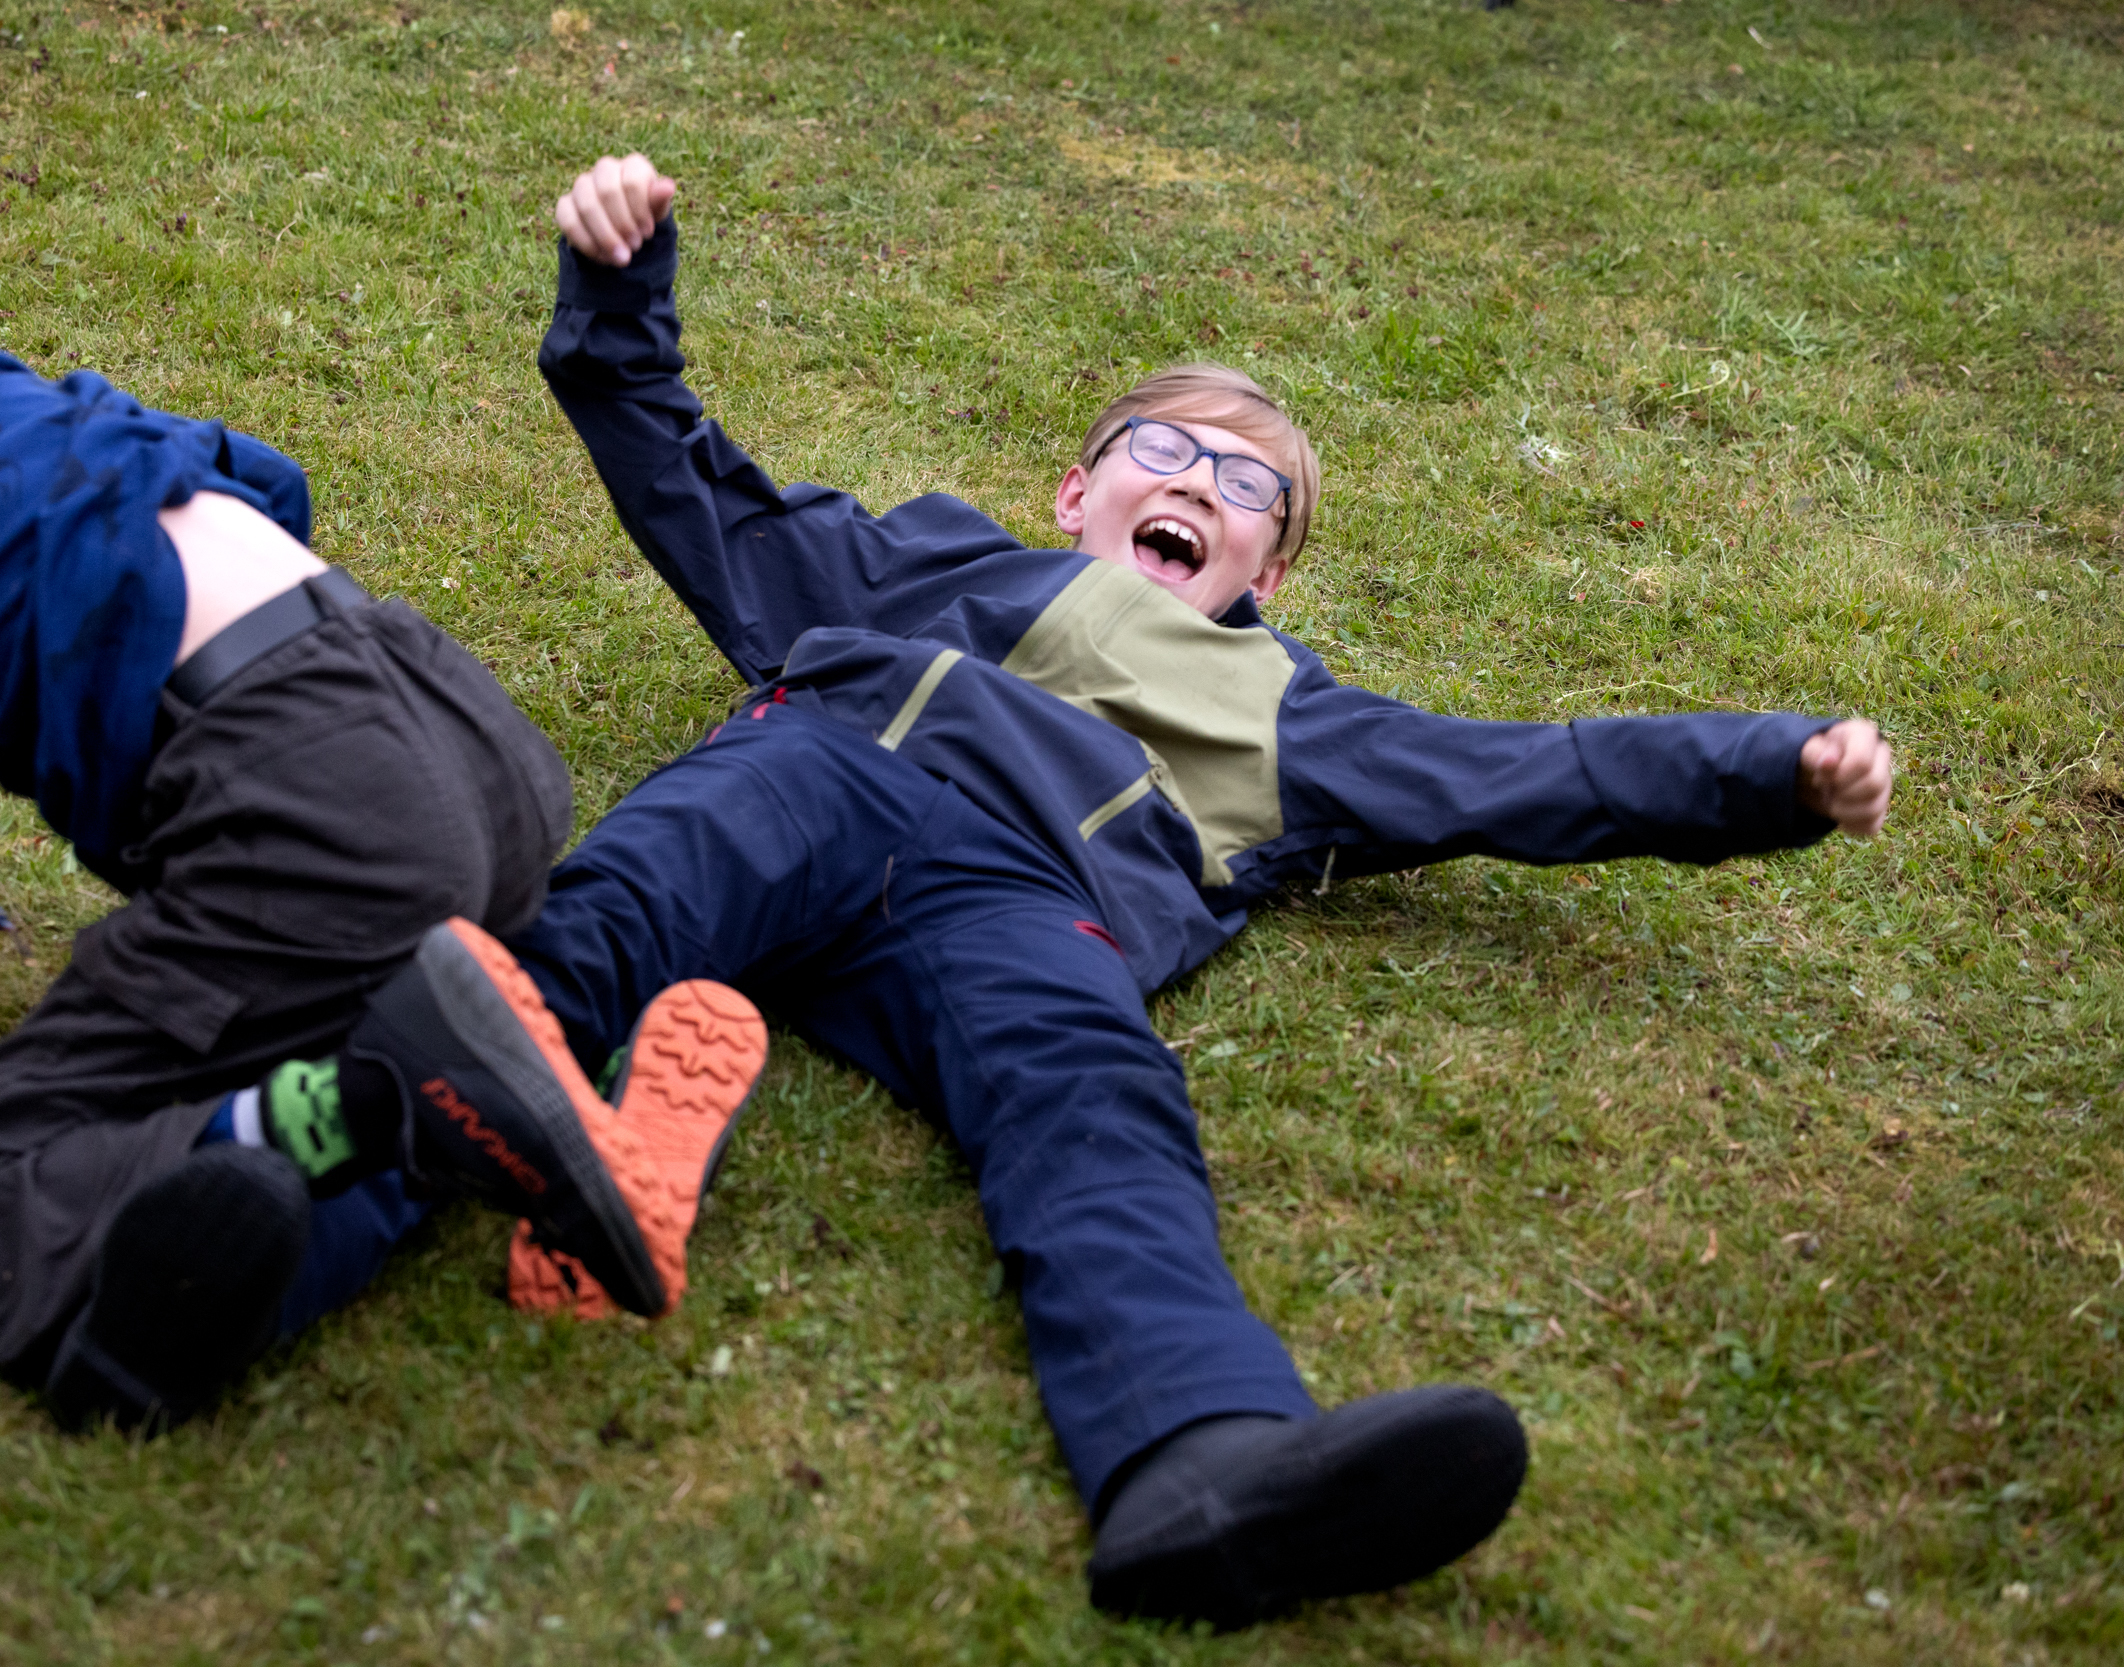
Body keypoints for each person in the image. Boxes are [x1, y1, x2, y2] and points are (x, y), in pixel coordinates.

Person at [508, 153, 1895, 1630]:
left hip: (1035, 910)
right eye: (1160, 449)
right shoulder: (921, 562)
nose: (1197, 485)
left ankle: (1197, 1460)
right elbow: (685, 471)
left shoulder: (1300, 715)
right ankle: (381, 1112)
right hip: (839, 767)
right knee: (645, 893)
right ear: (1076, 488)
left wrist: (1774, 770)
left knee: (1097, 1102)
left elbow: (1531, 772)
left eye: (1250, 490)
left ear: (1269, 572)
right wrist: (617, 285)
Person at [0, 170, 765, 1432]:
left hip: (329, 818)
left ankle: (374, 1098)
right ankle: (521, 1055)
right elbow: (261, 476)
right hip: (468, 731)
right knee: (373, 983)